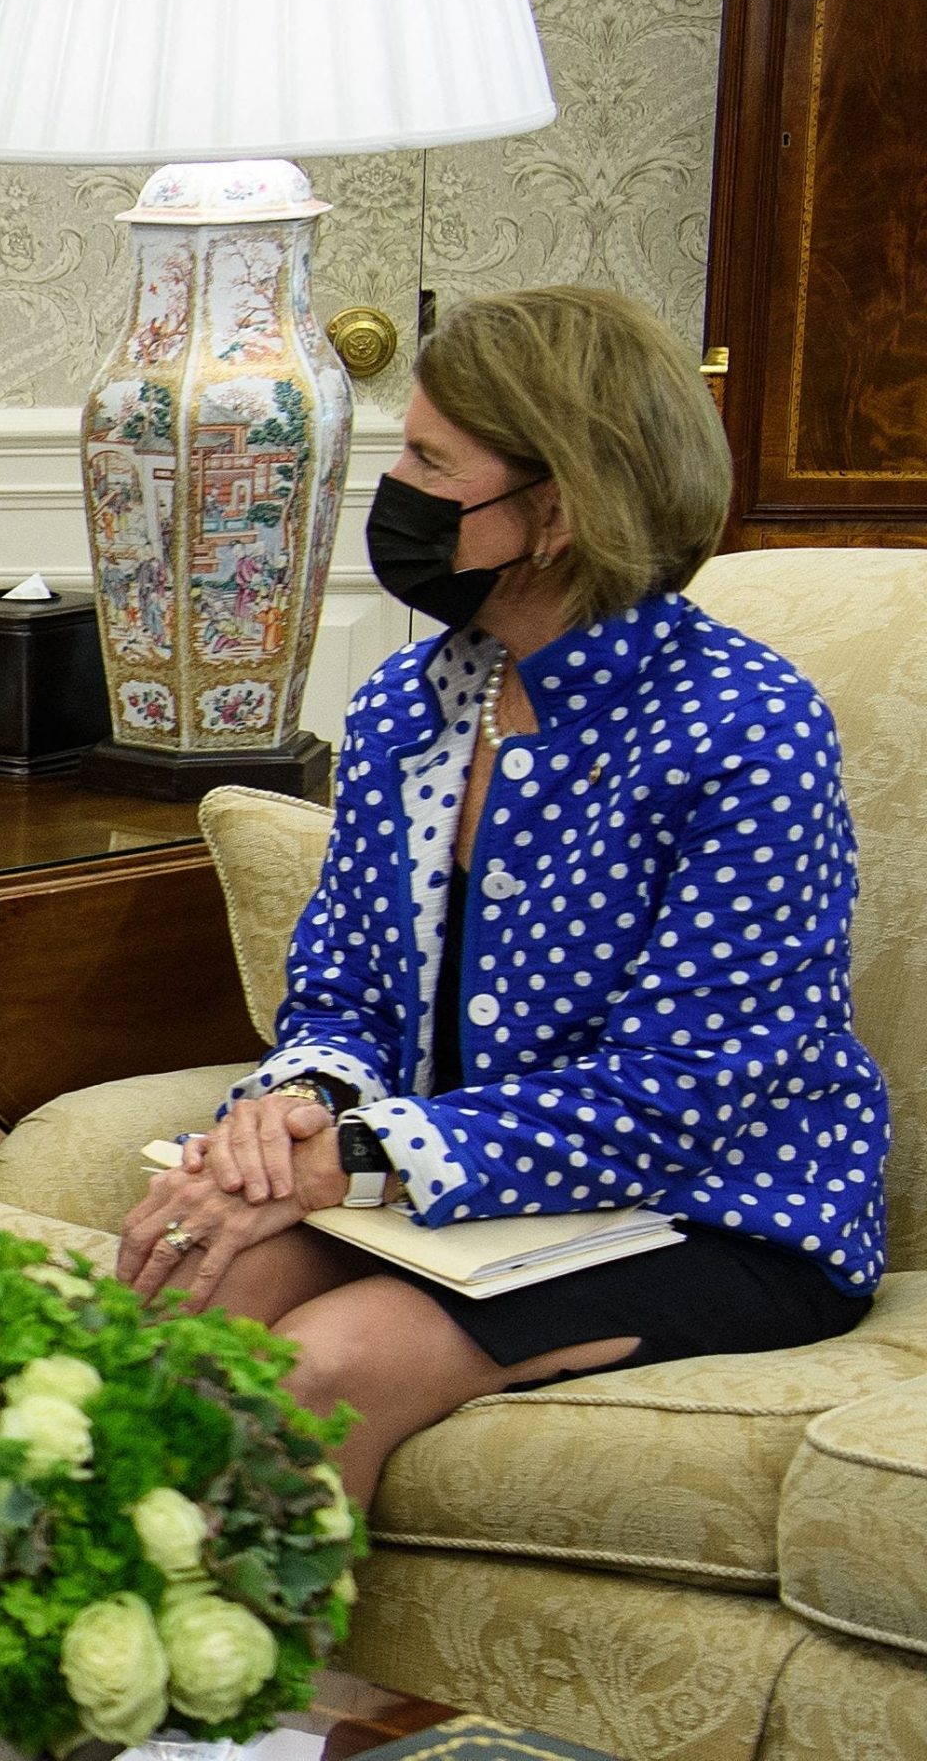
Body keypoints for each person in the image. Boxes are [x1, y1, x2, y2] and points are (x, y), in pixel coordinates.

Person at [117, 285, 886, 1507]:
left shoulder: (746, 731)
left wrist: (358, 1164)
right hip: (463, 1200)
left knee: (326, 1364)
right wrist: (292, 1115)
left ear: (555, 512)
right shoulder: (408, 705)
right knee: (201, 1284)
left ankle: (265, 1702)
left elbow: (674, 1100)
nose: (400, 492)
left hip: (715, 1211)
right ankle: (115, 1685)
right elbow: (342, 994)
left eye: (430, 460)